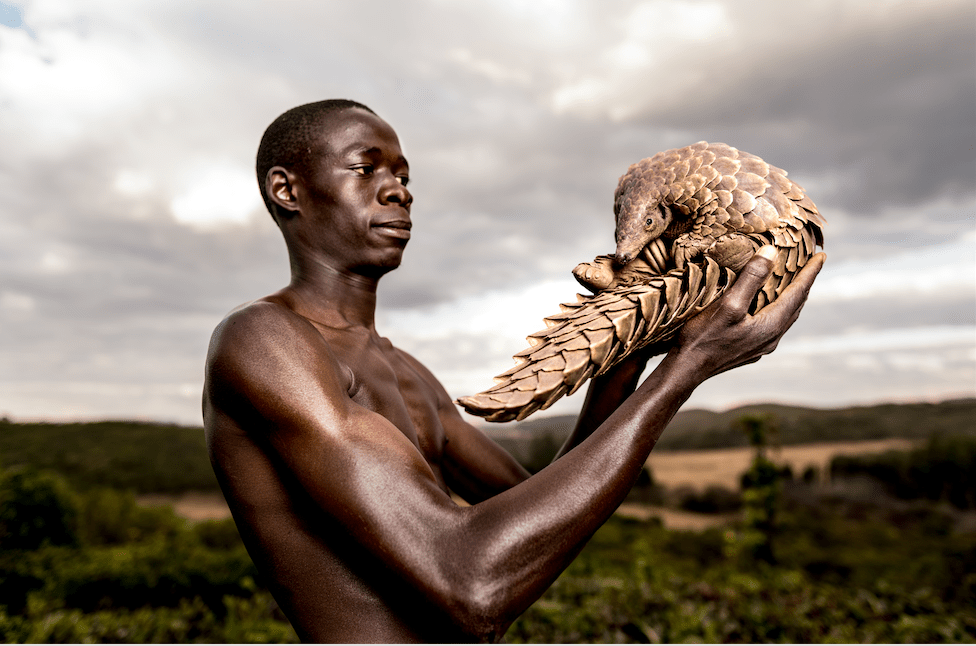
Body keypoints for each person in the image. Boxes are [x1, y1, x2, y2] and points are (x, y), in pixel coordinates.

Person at [202, 99, 825, 643]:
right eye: (367, 169)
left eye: (403, 176)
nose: (399, 190)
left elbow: (536, 516)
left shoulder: (405, 371)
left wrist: (633, 343)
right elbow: (474, 585)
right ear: (287, 191)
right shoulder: (263, 342)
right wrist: (688, 370)